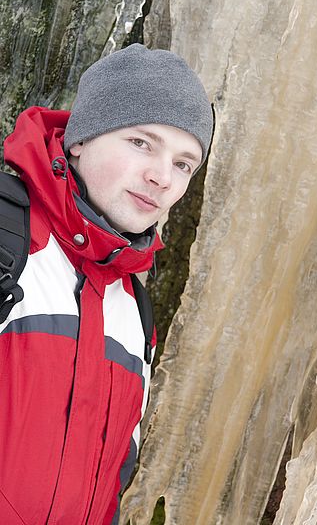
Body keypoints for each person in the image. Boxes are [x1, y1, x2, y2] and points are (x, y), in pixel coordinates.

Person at [0, 43, 214, 524]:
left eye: (184, 163)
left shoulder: (133, 309)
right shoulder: (8, 243)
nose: (161, 177)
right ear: (81, 138)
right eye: (142, 143)